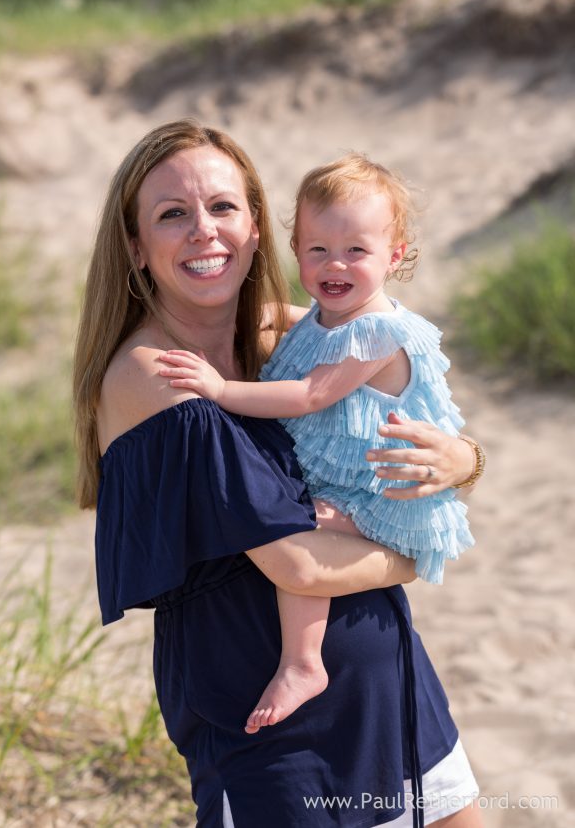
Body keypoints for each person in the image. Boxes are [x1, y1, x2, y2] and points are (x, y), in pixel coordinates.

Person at [73, 119, 484, 828]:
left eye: (223, 207)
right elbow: (302, 565)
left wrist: (465, 462)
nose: (204, 230)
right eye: (173, 214)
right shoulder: (154, 376)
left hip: (393, 690)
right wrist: (415, 552)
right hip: (272, 739)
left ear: (258, 227)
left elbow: (424, 403)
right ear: (136, 248)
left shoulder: (295, 335)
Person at [157, 153, 479, 735]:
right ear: (294, 248)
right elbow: (282, 328)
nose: (335, 264)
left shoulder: (376, 329)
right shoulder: (323, 316)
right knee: (307, 522)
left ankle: (304, 662)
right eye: (317, 250)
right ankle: (303, 660)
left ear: (394, 255)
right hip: (348, 478)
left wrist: (219, 388)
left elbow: (309, 394)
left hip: (380, 490)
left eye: (356, 250)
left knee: (313, 525)